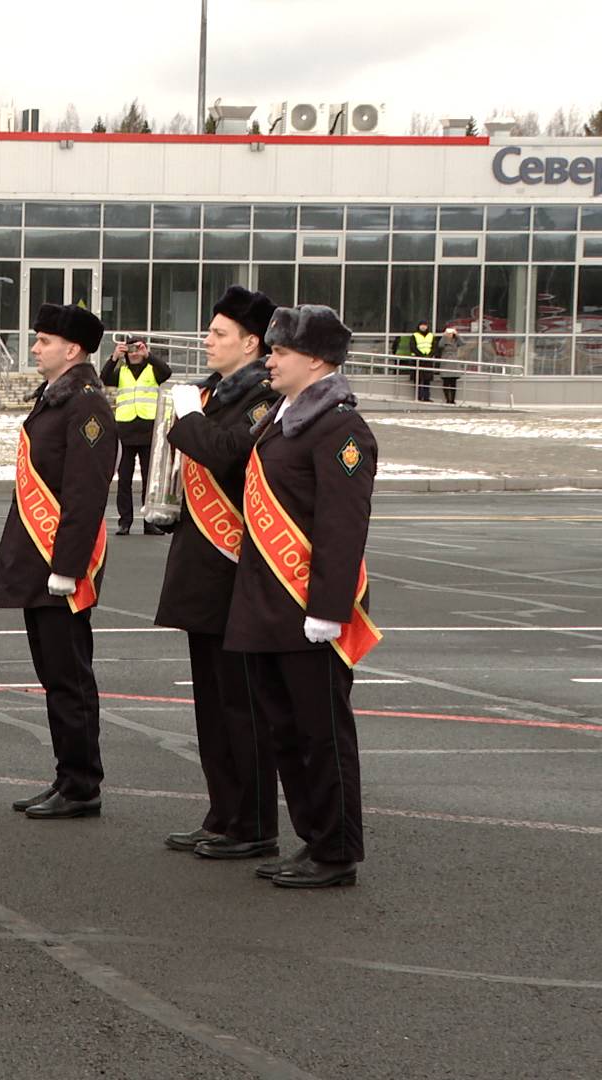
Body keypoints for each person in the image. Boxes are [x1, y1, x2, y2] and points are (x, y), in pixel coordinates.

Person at [225, 305, 381, 889]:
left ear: (315, 360)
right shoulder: (285, 417)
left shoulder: (340, 428)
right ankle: (312, 839)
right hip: (269, 607)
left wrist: (328, 611)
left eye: (280, 351)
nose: (270, 359)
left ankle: (336, 850)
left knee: (322, 735)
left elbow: (343, 528)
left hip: (308, 610)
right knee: (288, 733)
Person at [158, 286, 283, 860]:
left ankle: (254, 823)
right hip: (204, 568)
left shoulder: (261, 395)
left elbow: (228, 452)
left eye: (219, 333)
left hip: (235, 568)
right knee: (211, 705)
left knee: (243, 707)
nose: (206, 340)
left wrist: (186, 416)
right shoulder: (217, 393)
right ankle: (223, 813)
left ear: (252, 343)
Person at [0, 304, 117, 820]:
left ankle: (83, 783)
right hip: (41, 560)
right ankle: (68, 776)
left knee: (69, 677)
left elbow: (85, 495)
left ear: (73, 349)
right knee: (54, 675)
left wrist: (66, 566)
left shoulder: (85, 405)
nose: (35, 348)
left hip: (59, 566)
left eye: (44, 340)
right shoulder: (57, 399)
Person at [100, 335, 172, 535]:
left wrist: (148, 355)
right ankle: (125, 522)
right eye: (130, 349)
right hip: (125, 430)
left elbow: (167, 372)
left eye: (137, 349)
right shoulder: (121, 371)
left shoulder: (152, 369)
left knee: (150, 480)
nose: (134, 353)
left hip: (148, 431)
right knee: (124, 480)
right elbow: (104, 378)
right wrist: (114, 357)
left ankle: (150, 522)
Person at [400, 320, 438, 402]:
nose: (423, 327)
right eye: (422, 325)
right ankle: (419, 397)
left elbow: (434, 347)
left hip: (428, 361)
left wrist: (429, 355)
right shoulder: (415, 335)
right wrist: (421, 355)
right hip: (417, 360)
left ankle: (426, 397)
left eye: (425, 325)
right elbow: (413, 347)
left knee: (427, 380)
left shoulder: (431, 335)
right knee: (418, 380)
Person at [436, 327, 464, 405]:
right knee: (446, 382)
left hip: (454, 363)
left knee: (453, 383)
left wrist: (457, 335)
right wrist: (444, 336)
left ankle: (452, 400)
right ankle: (447, 399)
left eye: (451, 333)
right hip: (445, 363)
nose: (450, 335)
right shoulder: (444, 340)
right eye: (449, 333)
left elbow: (462, 343)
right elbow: (440, 345)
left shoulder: (455, 340)